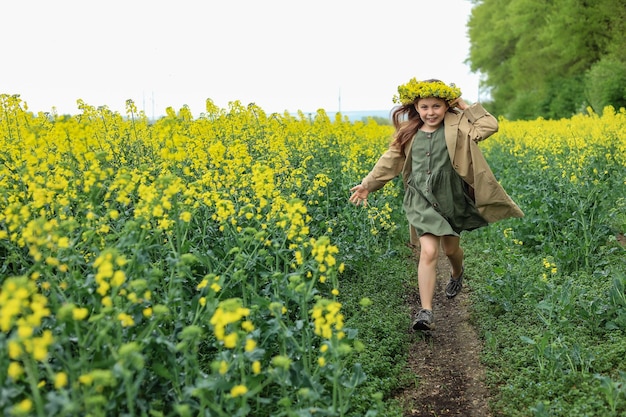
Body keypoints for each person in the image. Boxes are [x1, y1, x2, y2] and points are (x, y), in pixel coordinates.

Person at [349, 78, 523, 331]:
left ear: (446, 106)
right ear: (416, 108)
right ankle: (426, 311)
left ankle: (456, 272)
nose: (430, 113)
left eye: (436, 106)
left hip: (451, 196)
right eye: (424, 107)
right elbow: (390, 160)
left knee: (451, 250)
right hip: (420, 197)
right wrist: (368, 184)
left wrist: (463, 106)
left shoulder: (459, 125)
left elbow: (489, 125)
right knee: (429, 251)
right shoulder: (407, 132)